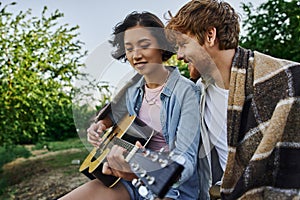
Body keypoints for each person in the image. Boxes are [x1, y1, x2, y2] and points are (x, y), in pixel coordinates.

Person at [59, 11, 202, 200]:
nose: (136, 55)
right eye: (129, 48)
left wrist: (141, 167)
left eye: (144, 45)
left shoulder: (187, 92)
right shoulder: (133, 91)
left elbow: (187, 162)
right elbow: (113, 118)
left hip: (174, 189)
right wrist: (100, 127)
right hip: (129, 182)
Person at [166, 0, 300, 199]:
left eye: (184, 44)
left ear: (210, 36)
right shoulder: (199, 94)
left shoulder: (285, 79)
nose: (179, 55)